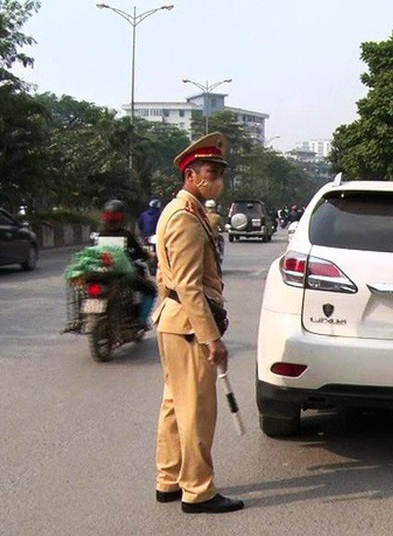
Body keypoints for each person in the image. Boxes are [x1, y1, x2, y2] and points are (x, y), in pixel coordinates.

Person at [151, 132, 244, 514]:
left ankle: (168, 480)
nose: (217, 179)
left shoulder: (184, 212)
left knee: (175, 405)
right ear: (191, 175)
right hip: (189, 326)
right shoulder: (186, 218)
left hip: (173, 321)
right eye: (211, 171)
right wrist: (211, 339)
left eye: (220, 172)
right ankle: (198, 490)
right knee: (197, 411)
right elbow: (189, 286)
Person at [98, 199, 157, 326]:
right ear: (122, 218)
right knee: (151, 290)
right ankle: (141, 320)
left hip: (102, 275)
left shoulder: (99, 235)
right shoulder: (127, 235)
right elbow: (141, 254)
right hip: (123, 275)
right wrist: (149, 255)